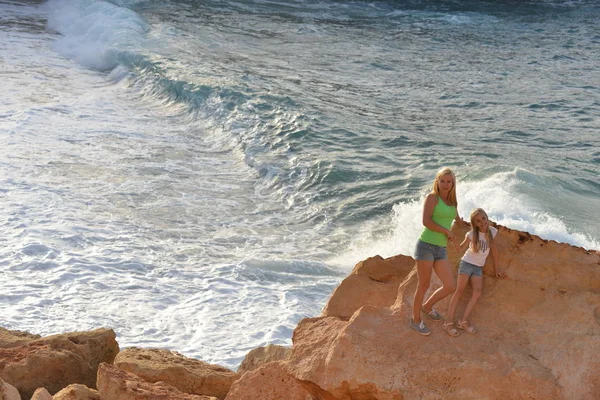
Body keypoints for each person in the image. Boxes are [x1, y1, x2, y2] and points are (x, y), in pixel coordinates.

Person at [409, 167, 464, 335]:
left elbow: (456, 220)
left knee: (449, 285)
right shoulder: (432, 198)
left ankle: (426, 307)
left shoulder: (453, 202)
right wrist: (446, 232)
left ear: (453, 183)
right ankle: (415, 320)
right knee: (423, 285)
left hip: (441, 249)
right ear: (437, 182)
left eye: (449, 181)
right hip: (426, 245)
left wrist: (469, 225)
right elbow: (426, 221)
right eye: (442, 181)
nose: (446, 184)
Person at [442, 208, 507, 337]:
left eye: (483, 218)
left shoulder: (492, 232)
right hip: (466, 263)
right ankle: (448, 322)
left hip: (478, 267)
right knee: (459, 291)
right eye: (478, 221)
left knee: (477, 292)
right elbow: (460, 249)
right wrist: (453, 239)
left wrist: (497, 268)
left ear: (487, 217)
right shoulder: (471, 235)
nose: (482, 222)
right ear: (475, 224)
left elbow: (494, 251)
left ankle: (462, 321)